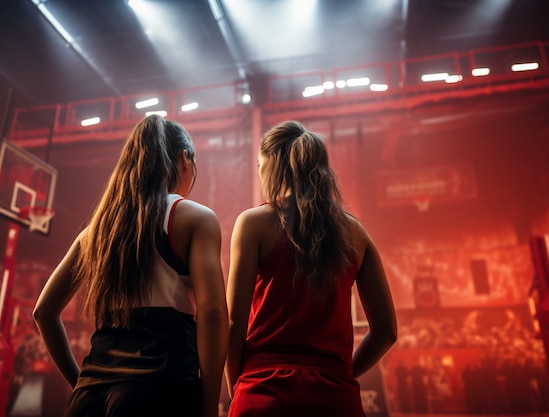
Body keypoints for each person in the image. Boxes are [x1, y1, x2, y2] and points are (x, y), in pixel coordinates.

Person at [33, 115, 228, 417]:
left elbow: (43, 312)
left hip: (88, 399)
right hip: (159, 390)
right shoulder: (194, 218)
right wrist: (210, 404)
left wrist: (81, 383)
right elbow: (213, 314)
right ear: (184, 159)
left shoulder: (98, 230)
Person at [225, 120, 397, 417]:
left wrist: (236, 386)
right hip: (336, 397)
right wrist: (341, 374)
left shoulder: (253, 224)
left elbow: (233, 322)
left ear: (272, 167)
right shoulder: (355, 232)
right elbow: (386, 332)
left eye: (258, 164)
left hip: (263, 391)